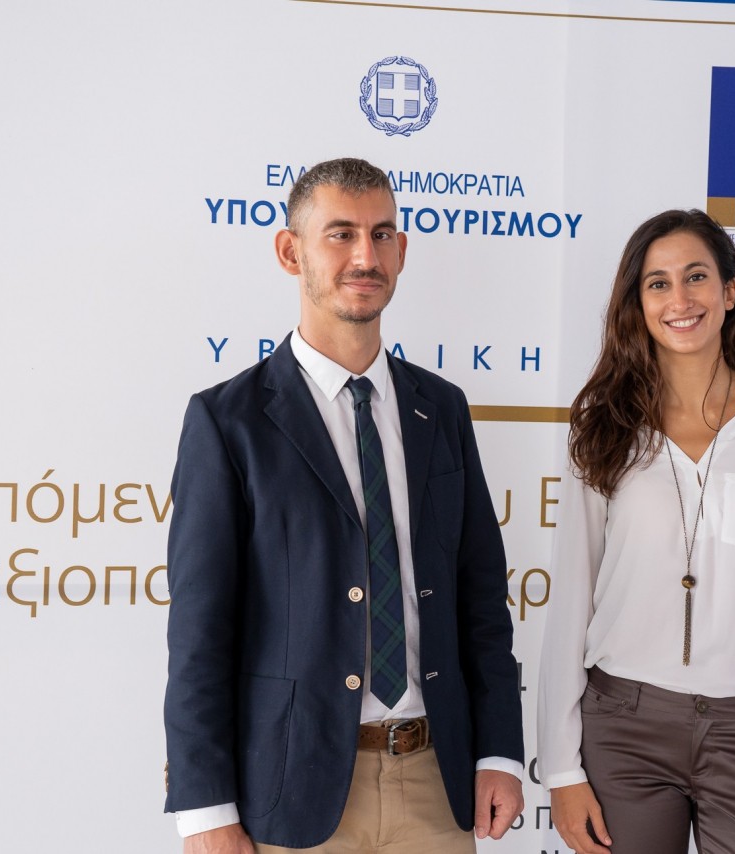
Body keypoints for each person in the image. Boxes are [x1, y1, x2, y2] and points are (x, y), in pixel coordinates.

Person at [163, 157, 524, 853]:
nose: (366, 256)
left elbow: (480, 596)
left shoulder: (441, 408)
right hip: (291, 791)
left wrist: (500, 751)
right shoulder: (228, 421)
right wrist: (205, 810)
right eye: (341, 234)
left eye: (382, 234)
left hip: (436, 783)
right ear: (289, 251)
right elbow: (200, 631)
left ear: (402, 251)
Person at [537, 209, 735, 854]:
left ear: (729, 291)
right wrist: (562, 769)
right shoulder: (602, 425)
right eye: (657, 283)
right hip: (624, 729)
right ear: (638, 303)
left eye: (696, 277)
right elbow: (570, 598)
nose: (679, 299)